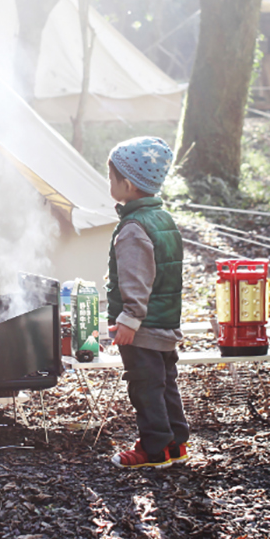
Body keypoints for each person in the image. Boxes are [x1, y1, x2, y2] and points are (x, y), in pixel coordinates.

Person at [105, 136, 189, 469]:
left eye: (111, 178)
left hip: (143, 328)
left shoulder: (132, 228)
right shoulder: (163, 219)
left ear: (127, 184)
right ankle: (175, 444)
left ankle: (152, 450)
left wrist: (129, 319)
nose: (109, 184)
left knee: (145, 388)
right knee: (165, 383)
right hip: (164, 322)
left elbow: (137, 279)